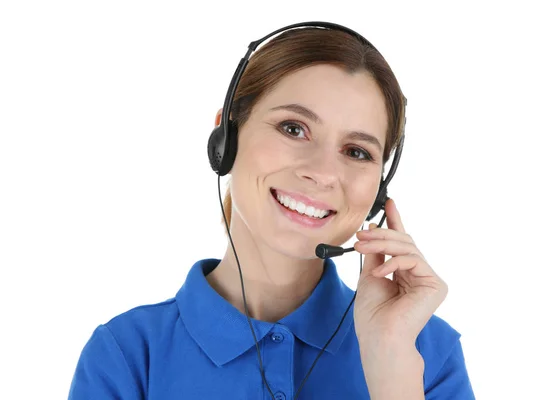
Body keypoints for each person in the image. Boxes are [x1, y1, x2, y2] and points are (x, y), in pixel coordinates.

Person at [68, 22, 475, 399]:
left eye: (356, 151)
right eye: (293, 128)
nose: (322, 173)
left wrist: (393, 371)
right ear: (226, 136)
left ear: (378, 189)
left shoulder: (423, 351)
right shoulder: (127, 355)